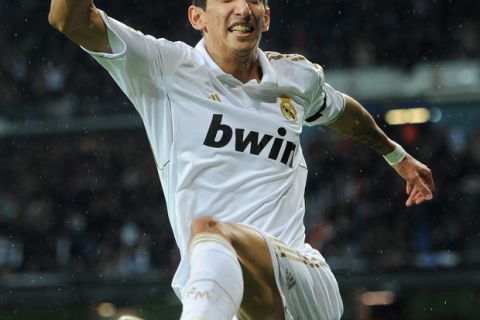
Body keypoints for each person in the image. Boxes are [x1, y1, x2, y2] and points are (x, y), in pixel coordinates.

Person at [48, 0, 435, 319]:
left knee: (212, 231)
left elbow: (341, 110)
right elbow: (67, 17)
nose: (242, 8)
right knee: (213, 242)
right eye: (226, 0)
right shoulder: (164, 67)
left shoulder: (295, 77)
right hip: (225, 300)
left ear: (266, 16)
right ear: (196, 17)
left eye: (253, 0)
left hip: (303, 280)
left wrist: (395, 154)